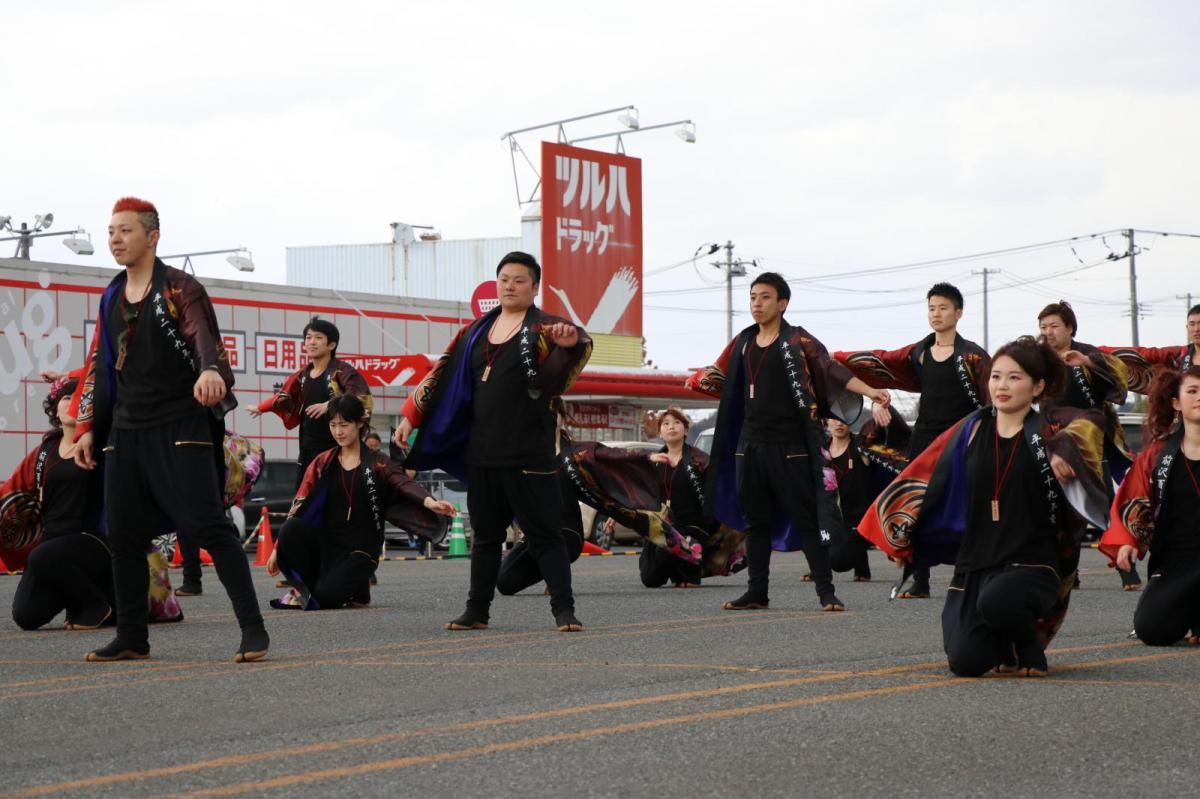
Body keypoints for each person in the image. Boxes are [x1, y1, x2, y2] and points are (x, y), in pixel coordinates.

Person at [73, 197, 267, 663]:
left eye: (125, 231)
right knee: (123, 536)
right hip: (127, 429)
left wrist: (209, 371)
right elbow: (101, 366)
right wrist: (87, 428)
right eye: (111, 231)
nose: (115, 239)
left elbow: (204, 336)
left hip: (181, 425)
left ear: (152, 236)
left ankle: (253, 629)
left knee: (208, 526)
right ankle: (132, 636)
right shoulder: (111, 296)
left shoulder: (181, 289)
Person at [859, 337, 1110, 677]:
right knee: (967, 662)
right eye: (996, 376)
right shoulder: (970, 430)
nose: (1002, 385)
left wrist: (1063, 448)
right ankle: (1003, 641)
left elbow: (1093, 421)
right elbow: (924, 478)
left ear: (1038, 386)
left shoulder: (1052, 429)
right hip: (977, 562)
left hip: (1033, 564)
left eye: (1014, 377)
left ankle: (1029, 648)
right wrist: (899, 535)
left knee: (998, 602)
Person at [395, 252, 592, 632]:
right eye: (504, 279)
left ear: (534, 287)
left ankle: (564, 611)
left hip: (529, 450)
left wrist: (570, 345)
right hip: (483, 452)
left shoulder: (546, 328)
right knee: (485, 538)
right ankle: (477, 611)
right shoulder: (475, 332)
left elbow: (571, 359)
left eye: (519, 280)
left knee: (545, 535)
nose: (510, 286)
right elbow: (441, 371)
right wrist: (411, 416)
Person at [686, 272, 892, 612]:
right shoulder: (744, 342)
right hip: (751, 445)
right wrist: (696, 380)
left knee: (806, 519)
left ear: (782, 303)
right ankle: (757, 592)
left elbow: (831, 370)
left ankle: (826, 592)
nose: (757, 303)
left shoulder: (797, 341)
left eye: (765, 297)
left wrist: (871, 391)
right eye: (753, 297)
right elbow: (719, 374)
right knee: (756, 522)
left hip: (791, 445)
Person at [834, 283, 991, 598]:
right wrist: (835, 358)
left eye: (943, 307)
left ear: (958, 313)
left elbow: (991, 402)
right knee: (917, 507)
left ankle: (966, 577)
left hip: (961, 441)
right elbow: (882, 362)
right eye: (932, 307)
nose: (936, 314)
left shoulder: (973, 355)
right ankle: (919, 581)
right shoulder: (919, 352)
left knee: (966, 509)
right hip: (924, 439)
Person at [267, 395, 454, 609]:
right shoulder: (322, 462)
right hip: (328, 545)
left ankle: (353, 583)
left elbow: (402, 482)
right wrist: (277, 549)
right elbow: (299, 504)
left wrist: (429, 502)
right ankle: (342, 587)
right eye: (333, 425)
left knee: (325, 599)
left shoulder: (377, 462)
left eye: (344, 425)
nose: (338, 432)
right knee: (291, 528)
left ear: (359, 424)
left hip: (361, 549)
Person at [577, 408, 746, 588]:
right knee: (651, 579)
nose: (671, 427)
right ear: (660, 433)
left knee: (688, 576)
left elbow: (721, 489)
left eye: (677, 422)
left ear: (686, 430)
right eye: (666, 424)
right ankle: (675, 567)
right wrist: (618, 513)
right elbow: (638, 492)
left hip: (693, 527)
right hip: (662, 527)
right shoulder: (655, 460)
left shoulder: (700, 460)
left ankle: (688, 567)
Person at [1038, 300, 1141, 589]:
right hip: (1055, 437)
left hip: (1092, 437)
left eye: (1054, 326)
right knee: (1060, 509)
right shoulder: (1038, 360)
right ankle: (1069, 573)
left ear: (1069, 328)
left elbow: (1118, 378)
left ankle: (1127, 571)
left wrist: (1087, 363)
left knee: (1104, 504)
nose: (1048, 332)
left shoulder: (1086, 353)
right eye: (1043, 327)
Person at [1100, 365, 1200, 646]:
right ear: (1176, 403)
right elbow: (1133, 498)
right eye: (1192, 391)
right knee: (1152, 629)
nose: (1199, 397)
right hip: (1176, 559)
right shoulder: (1158, 454)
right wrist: (1130, 540)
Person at [4, 378, 111, 630]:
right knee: (26, 616)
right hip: (52, 548)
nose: (72, 403)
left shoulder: (101, 445)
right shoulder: (45, 450)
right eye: (65, 398)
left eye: (78, 399)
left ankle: (97, 604)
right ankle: (79, 599)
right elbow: (13, 491)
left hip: (94, 541)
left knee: (42, 554)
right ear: (54, 409)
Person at [249, 317, 372, 488]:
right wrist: (261, 408)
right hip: (307, 448)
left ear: (332, 345)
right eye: (308, 337)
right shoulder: (303, 374)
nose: (311, 342)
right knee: (306, 499)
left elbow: (361, 396)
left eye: (318, 337)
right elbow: (284, 395)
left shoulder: (342, 371)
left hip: (337, 447)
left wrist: (330, 405)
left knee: (336, 497)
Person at [1100, 304, 1200, 393]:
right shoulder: (1180, 355)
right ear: (1187, 327)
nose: (1196, 329)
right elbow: (1146, 354)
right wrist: (1095, 351)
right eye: (1192, 324)